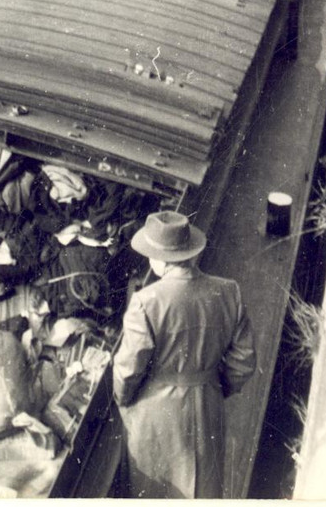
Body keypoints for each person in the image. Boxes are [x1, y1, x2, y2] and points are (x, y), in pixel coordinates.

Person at [113, 211, 257, 499]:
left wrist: (125, 401)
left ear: (159, 259)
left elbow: (128, 371)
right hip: (208, 405)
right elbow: (244, 361)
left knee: (157, 489)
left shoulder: (145, 303)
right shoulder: (229, 291)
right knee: (204, 487)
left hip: (157, 415)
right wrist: (212, 387)